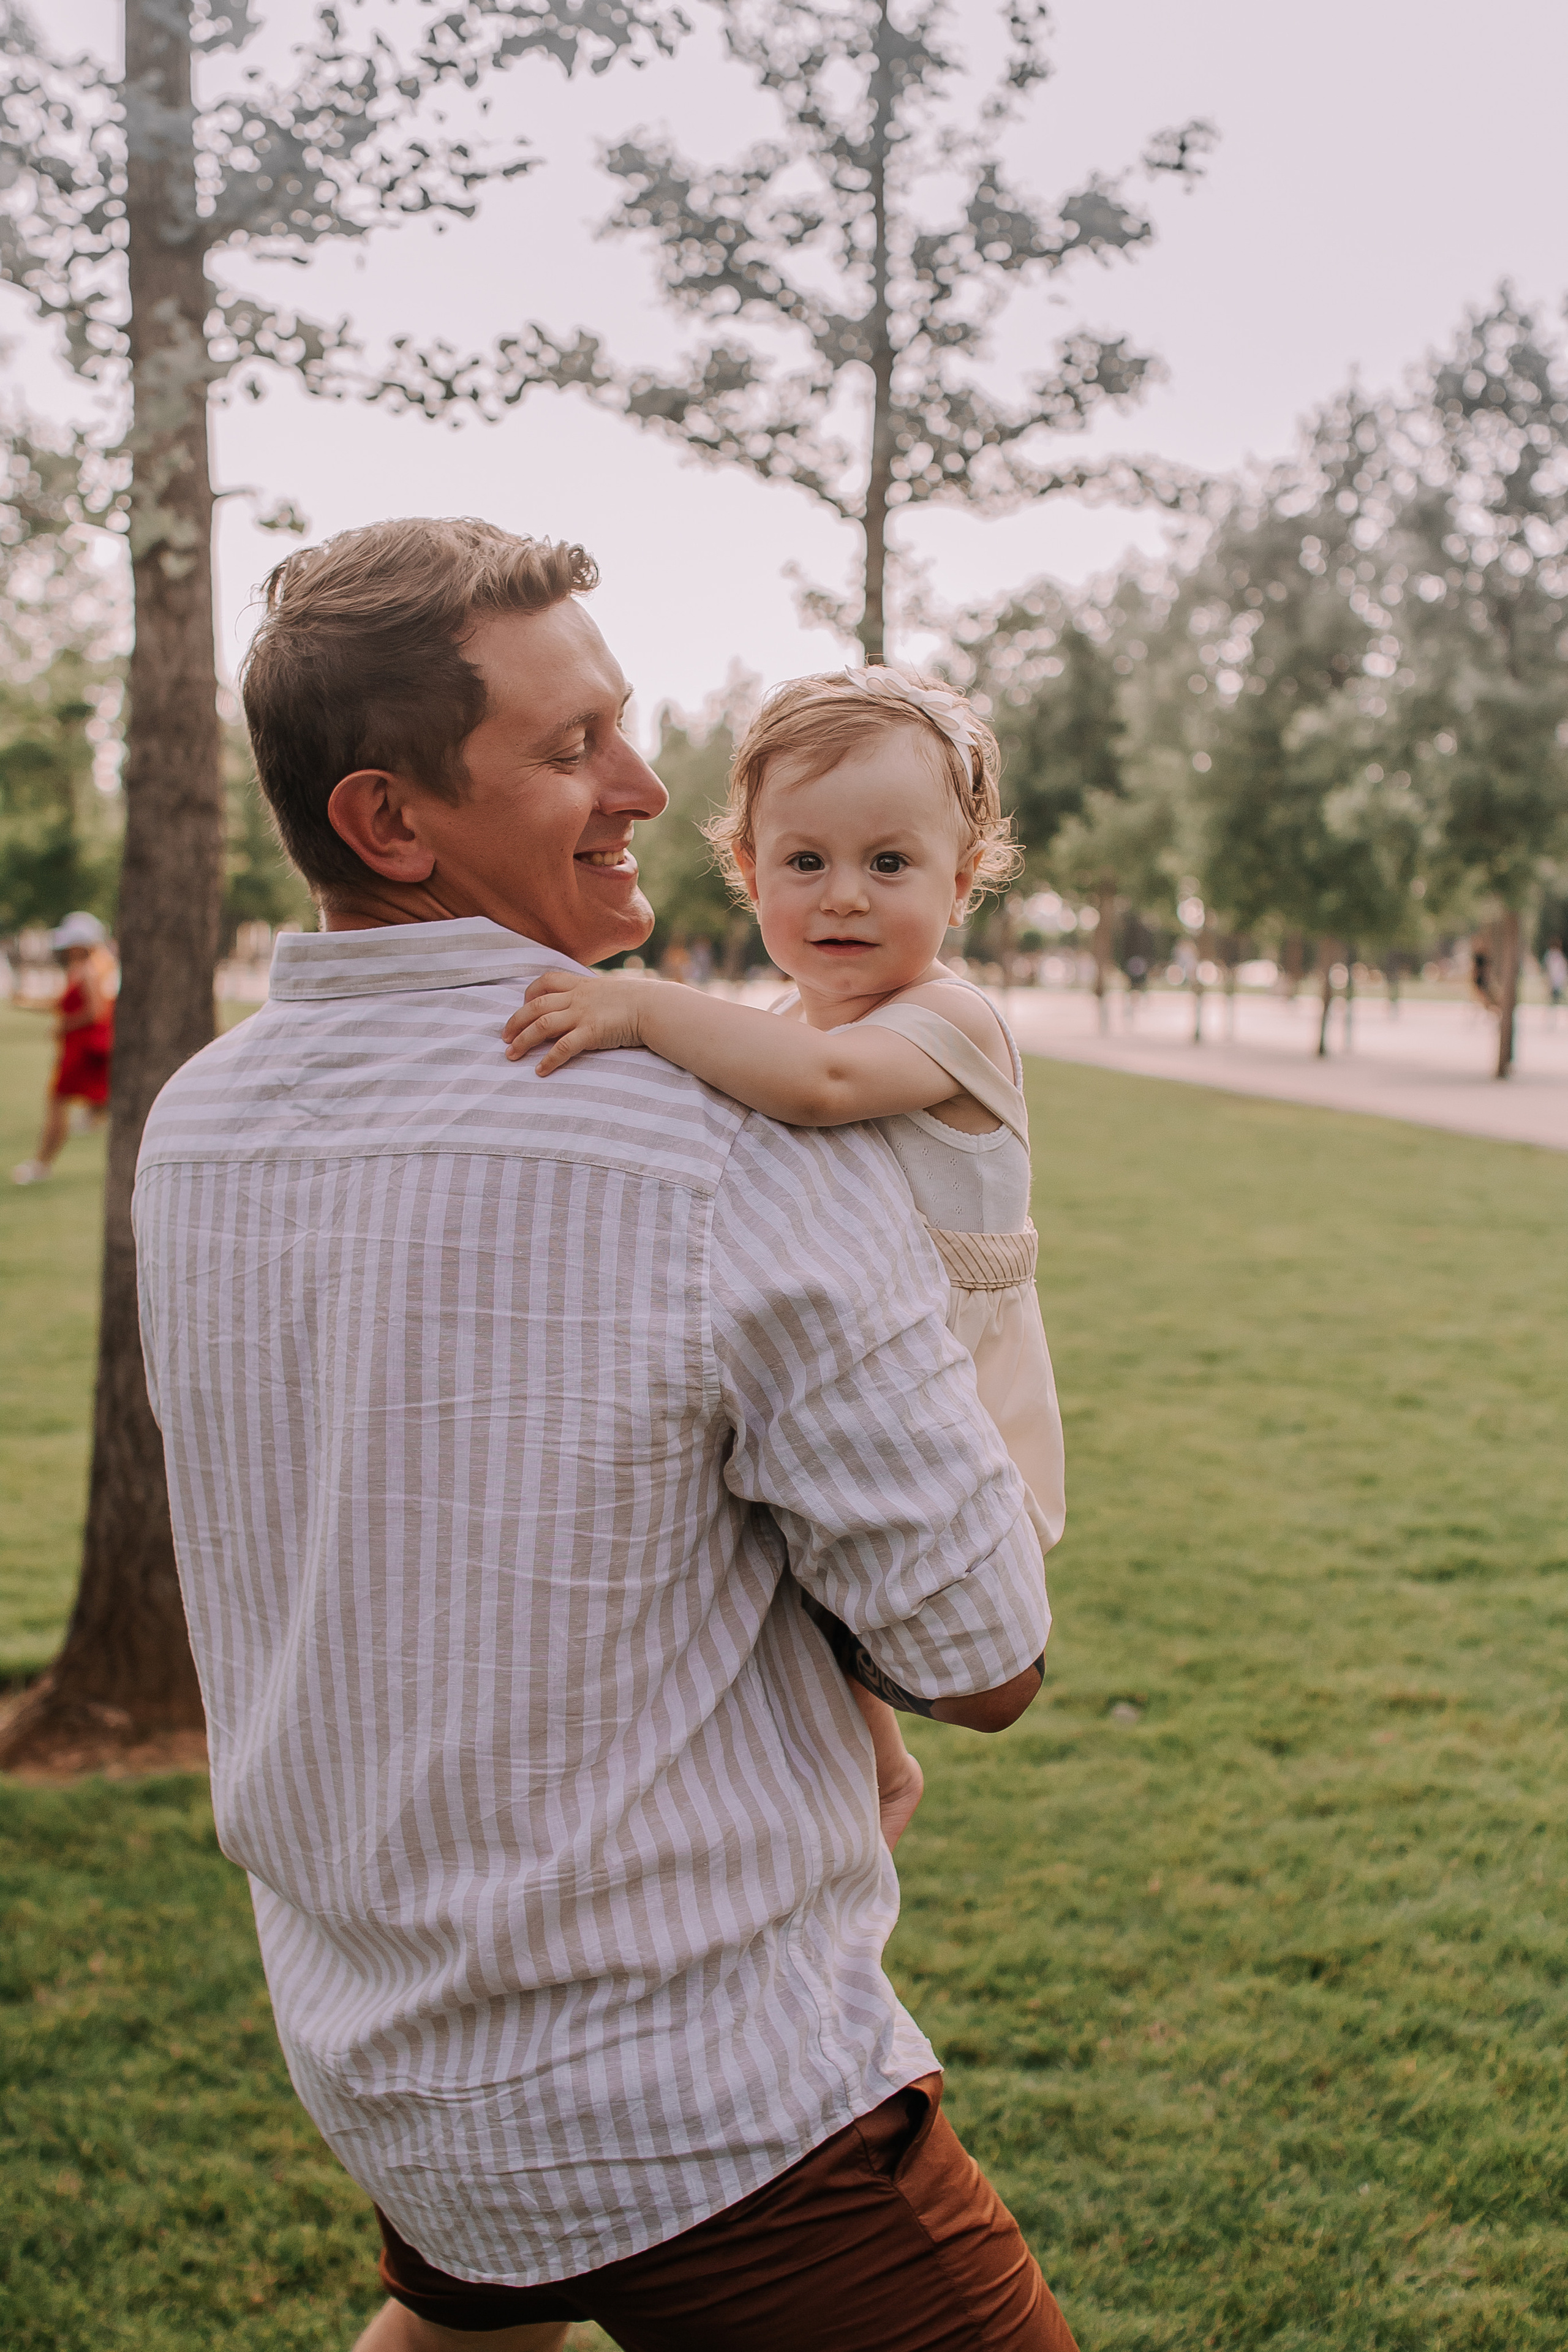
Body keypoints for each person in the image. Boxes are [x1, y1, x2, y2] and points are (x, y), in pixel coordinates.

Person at [134, 518, 1079, 2352]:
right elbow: (983, 1656)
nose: (647, 786)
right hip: (701, 2093)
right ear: (390, 821)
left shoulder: (203, 1123)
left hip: (389, 2048)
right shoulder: (723, 1145)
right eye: (574, 747)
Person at [503, 668, 1066, 1844]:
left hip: (946, 1366)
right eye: (805, 862)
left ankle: (885, 1757)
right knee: (798, 1583)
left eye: (890, 864)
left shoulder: (953, 1020)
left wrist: (641, 1009)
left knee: (902, 1580)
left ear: (963, 882)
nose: (843, 896)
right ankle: (875, 1765)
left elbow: (821, 1088)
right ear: (750, 873)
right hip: (831, 1348)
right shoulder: (772, 1024)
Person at [12, 911, 116, 1185]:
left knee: (58, 1103)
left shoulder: (91, 970)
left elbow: (95, 1012)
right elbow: (64, 1003)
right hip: (80, 1047)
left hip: (85, 1049)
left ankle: (41, 1164)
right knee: (96, 1100)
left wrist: (65, 1026)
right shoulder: (85, 968)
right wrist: (29, 1004)